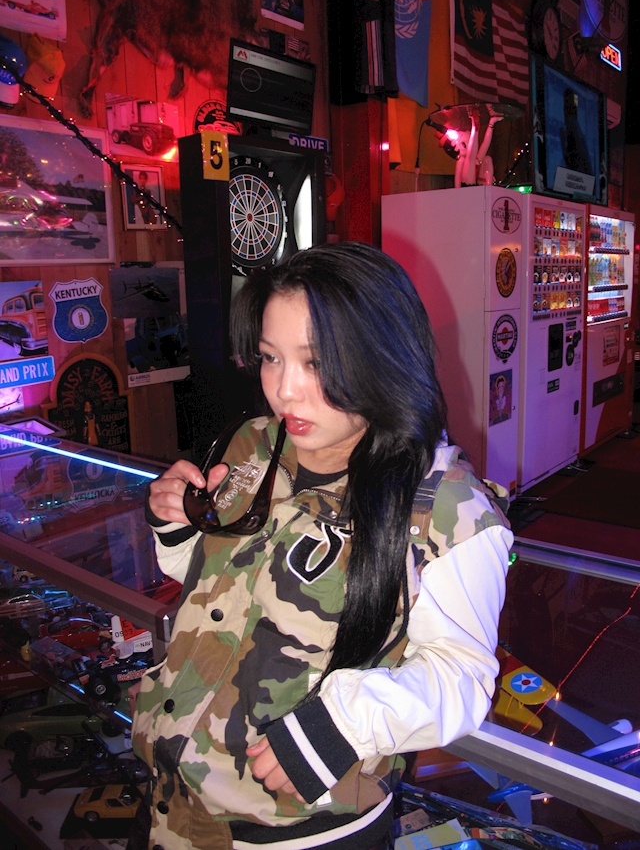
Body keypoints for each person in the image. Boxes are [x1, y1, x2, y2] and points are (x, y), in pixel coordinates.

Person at [133, 242, 513, 850]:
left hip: (300, 828)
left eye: (315, 362)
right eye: (269, 358)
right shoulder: (253, 443)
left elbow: (465, 678)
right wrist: (178, 523)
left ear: (383, 357)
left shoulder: (445, 506)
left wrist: (342, 724)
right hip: (171, 797)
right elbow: (216, 583)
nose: (284, 391)